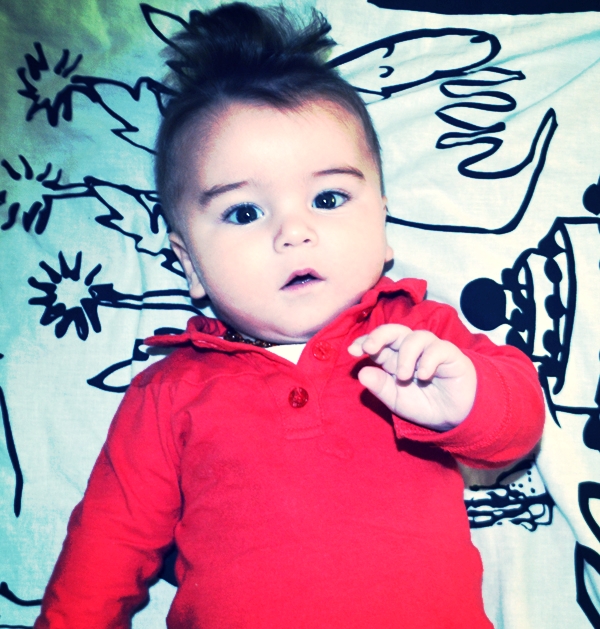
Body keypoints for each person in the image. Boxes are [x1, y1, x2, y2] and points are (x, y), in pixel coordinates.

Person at [34, 3, 545, 628]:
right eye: (245, 212)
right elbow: (102, 557)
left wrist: (467, 402)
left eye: (328, 198)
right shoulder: (167, 393)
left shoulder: (418, 334)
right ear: (189, 263)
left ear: (383, 225)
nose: (294, 231)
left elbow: (519, 426)